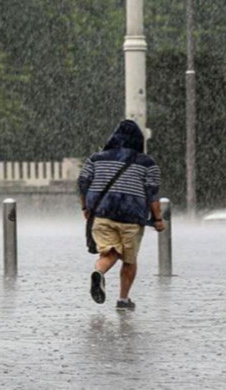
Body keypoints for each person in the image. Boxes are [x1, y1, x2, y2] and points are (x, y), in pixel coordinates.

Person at [78, 119, 165, 311]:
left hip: (102, 213)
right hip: (131, 217)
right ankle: (123, 300)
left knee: (109, 252)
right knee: (129, 259)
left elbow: (83, 184)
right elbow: (152, 194)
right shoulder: (147, 163)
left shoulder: (95, 159)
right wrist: (157, 219)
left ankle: (99, 272)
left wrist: (85, 208)